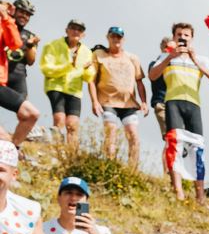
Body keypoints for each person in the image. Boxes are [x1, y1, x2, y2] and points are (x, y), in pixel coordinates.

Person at [148, 22, 209, 204]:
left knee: (197, 148)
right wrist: (169, 58)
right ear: (173, 37)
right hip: (173, 103)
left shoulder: (201, 59)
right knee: (175, 145)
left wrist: (195, 60)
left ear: (191, 38)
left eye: (186, 35)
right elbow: (152, 75)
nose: (182, 37)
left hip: (194, 105)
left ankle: (200, 195)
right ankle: (178, 191)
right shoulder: (165, 56)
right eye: (179, 34)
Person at [91, 28, 149, 168]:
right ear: (108, 38)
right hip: (107, 101)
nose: (116, 40)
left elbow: (139, 82)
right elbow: (91, 80)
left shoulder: (132, 58)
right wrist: (94, 101)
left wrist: (144, 102)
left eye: (119, 37)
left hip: (128, 103)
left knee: (133, 135)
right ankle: (110, 164)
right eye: (113, 37)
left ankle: (132, 169)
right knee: (111, 132)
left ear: (123, 39)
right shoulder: (99, 55)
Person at [39, 20, 96, 148]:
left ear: (83, 35)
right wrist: (68, 66)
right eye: (73, 28)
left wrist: (86, 70)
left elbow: (89, 77)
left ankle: (71, 158)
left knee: (73, 125)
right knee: (59, 119)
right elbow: (46, 69)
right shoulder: (52, 46)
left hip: (75, 91)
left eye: (79, 30)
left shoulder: (87, 52)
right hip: (55, 87)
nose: (76, 31)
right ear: (67, 30)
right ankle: (56, 151)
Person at [0, 0, 40, 146]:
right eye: (22, 12)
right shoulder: (4, 24)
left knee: (26, 112)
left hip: (17, 75)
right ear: (14, 11)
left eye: (28, 14)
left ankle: (15, 146)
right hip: (3, 74)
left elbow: (31, 60)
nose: (24, 16)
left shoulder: (30, 35)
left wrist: (30, 45)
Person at [146, 36, 171, 140]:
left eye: (169, 47)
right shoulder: (154, 64)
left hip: (175, 103)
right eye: (165, 46)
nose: (167, 49)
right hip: (161, 103)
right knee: (169, 136)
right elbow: (153, 77)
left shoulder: (177, 65)